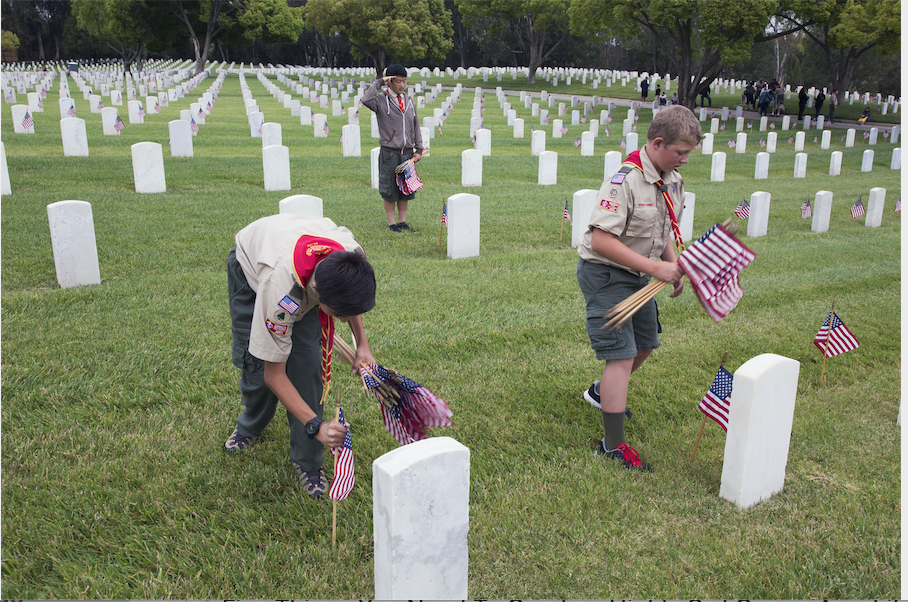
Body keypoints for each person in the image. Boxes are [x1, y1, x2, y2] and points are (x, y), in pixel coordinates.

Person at [577, 105, 702, 471]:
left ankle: (601, 393)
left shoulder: (671, 178)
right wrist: (654, 268)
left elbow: (661, 228)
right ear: (658, 143)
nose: (686, 160)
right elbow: (600, 240)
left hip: (639, 275)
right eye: (681, 152)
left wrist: (673, 265)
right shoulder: (625, 181)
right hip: (606, 274)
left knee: (646, 343)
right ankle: (613, 445)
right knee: (621, 355)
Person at [224, 214, 377, 498]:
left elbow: (348, 296)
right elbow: (274, 375)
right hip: (252, 268)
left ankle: (308, 462)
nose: (343, 321)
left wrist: (362, 345)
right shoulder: (282, 293)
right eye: (338, 315)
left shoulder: (352, 258)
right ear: (317, 294)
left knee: (307, 366)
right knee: (258, 366)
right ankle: (250, 425)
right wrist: (316, 425)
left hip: (303, 264)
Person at [361, 64, 425, 233]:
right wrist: (379, 82)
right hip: (390, 153)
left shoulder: (409, 101)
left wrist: (418, 149)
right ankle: (392, 223)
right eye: (398, 81)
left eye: (404, 81)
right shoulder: (381, 100)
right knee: (389, 189)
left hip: (407, 154)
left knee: (405, 189)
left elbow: (415, 125)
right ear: (390, 81)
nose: (402, 85)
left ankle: (403, 221)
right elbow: (366, 99)